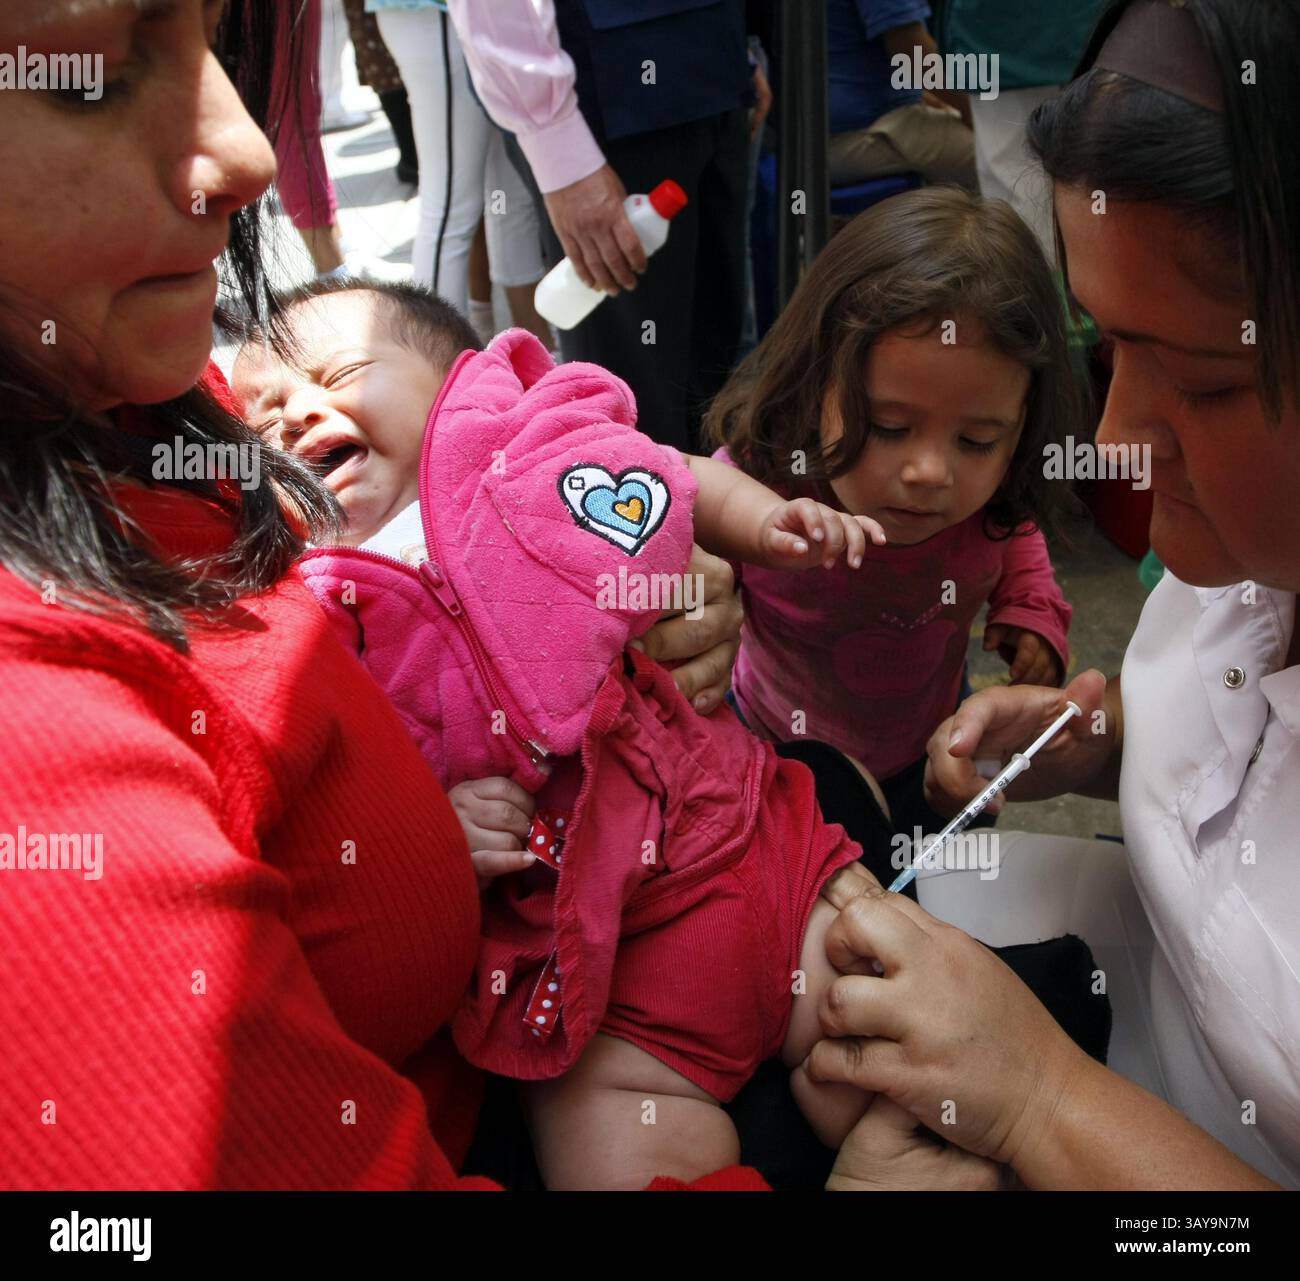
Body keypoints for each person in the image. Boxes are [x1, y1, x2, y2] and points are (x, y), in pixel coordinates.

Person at [1, 0, 889, 1192]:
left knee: (886, 894)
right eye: (97, 75)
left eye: (216, 40)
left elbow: (652, 478)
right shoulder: (52, 771)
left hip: (720, 838)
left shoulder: (151, 393)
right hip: (575, 1036)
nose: (254, 151)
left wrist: (688, 555)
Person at [231, 279, 898, 1187]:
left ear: (454, 381)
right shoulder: (312, 616)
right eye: (263, 427)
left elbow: (666, 475)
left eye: (339, 374)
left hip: (748, 848)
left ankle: (897, 1148)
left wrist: (762, 522)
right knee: (614, 1148)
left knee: (902, 1039)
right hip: (604, 991)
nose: (300, 415)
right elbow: (352, 784)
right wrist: (436, 829)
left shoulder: (523, 451)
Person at [803, 0, 1300, 1189]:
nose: (1118, 436)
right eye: (1107, 350)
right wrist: (1102, 739)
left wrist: (1039, 1098)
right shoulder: (1239, 560)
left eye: (1199, 382)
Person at [706, 186, 1076, 839]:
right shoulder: (763, 488)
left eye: (977, 441)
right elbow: (686, 509)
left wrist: (1033, 613)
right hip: (772, 756)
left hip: (930, 756)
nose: (930, 472)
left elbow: (1015, 535)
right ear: (812, 380)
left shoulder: (987, 506)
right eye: (888, 425)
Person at [446, 0, 758, 452]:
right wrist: (559, 147)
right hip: (606, 100)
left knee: (714, 382)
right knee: (636, 417)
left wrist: (737, 53)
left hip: (708, 71)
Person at [365, 0, 551, 341]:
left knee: (509, 197)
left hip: (487, 15)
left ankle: (535, 348)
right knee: (450, 205)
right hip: (434, 14)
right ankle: (435, 362)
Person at [937, 0, 1107, 257]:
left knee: (1017, 182)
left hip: (1006, 34)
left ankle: (1036, 293)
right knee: (1102, 177)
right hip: (1093, 25)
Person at [826, 0, 977, 190]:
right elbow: (909, 49)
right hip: (864, 128)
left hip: (811, 136)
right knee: (1012, 160)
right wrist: (971, 108)